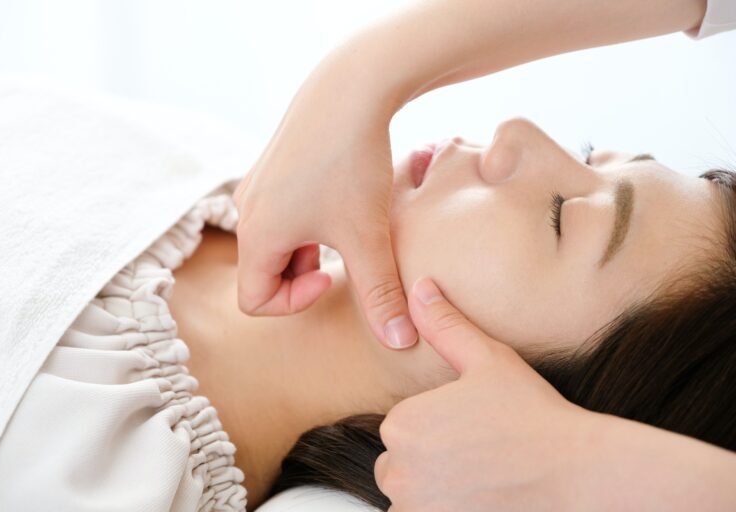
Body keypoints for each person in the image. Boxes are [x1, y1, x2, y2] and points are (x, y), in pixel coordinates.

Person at [231, 0, 736, 509]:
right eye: (589, 154)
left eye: (561, 216)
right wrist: (357, 74)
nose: (515, 132)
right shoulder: (228, 180)